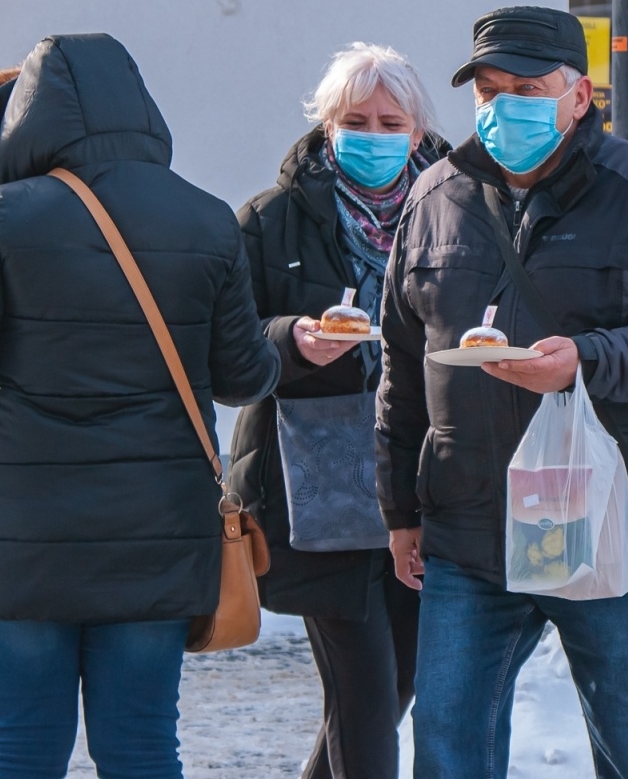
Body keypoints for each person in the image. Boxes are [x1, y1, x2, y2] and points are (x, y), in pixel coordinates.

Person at [0, 34, 281, 777]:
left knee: (19, 748)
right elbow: (244, 377)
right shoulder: (207, 218)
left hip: (19, 536)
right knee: (142, 745)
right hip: (156, 533)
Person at [377, 6, 628, 779]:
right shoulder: (435, 197)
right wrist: (400, 511)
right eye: (489, 89)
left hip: (608, 521)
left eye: (527, 88)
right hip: (469, 529)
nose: (502, 106)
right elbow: (403, 364)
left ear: (579, 96)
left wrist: (589, 360)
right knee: (445, 748)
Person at [227, 43, 447, 778]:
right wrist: (291, 340)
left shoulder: (459, 213)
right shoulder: (270, 221)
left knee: (397, 682)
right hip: (316, 483)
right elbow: (226, 348)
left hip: (424, 472)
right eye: (355, 121)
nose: (372, 135)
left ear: (418, 132)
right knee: (362, 693)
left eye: (390, 122)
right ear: (327, 127)